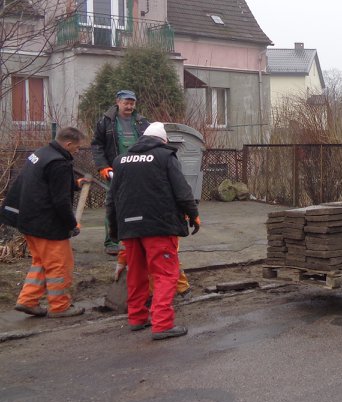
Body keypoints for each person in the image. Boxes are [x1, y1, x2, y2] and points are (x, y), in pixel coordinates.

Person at [106, 122, 200, 340]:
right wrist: (193, 215)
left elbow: (111, 199)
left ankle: (137, 318)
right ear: (163, 140)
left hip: (129, 228)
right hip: (158, 226)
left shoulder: (120, 160)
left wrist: (115, 230)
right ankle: (162, 324)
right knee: (165, 274)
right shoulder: (165, 156)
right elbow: (182, 191)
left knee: (136, 274)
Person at [5, 127, 87, 318]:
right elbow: (60, 200)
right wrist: (71, 224)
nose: (77, 151)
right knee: (60, 265)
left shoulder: (40, 154)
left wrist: (74, 184)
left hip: (28, 221)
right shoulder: (59, 163)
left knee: (41, 263)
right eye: (77, 147)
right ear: (68, 144)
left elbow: (43, 183)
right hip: (47, 225)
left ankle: (28, 300)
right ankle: (60, 306)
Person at [92, 90, 150, 254]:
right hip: (115, 171)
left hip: (138, 170)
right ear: (118, 102)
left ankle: (137, 238)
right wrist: (102, 166)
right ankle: (112, 242)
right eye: (126, 103)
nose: (130, 106)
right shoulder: (106, 122)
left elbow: (151, 142)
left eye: (132, 103)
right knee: (114, 205)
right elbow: (97, 145)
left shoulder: (142, 122)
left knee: (140, 204)